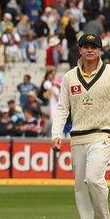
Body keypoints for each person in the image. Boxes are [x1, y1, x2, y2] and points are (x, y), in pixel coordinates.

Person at [52, 33, 110, 219]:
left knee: (93, 179)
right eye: (86, 47)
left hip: (101, 135)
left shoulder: (109, 73)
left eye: (94, 47)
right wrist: (56, 134)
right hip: (77, 137)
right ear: (80, 50)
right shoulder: (69, 77)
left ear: (100, 50)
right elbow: (62, 108)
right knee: (80, 186)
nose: (90, 50)